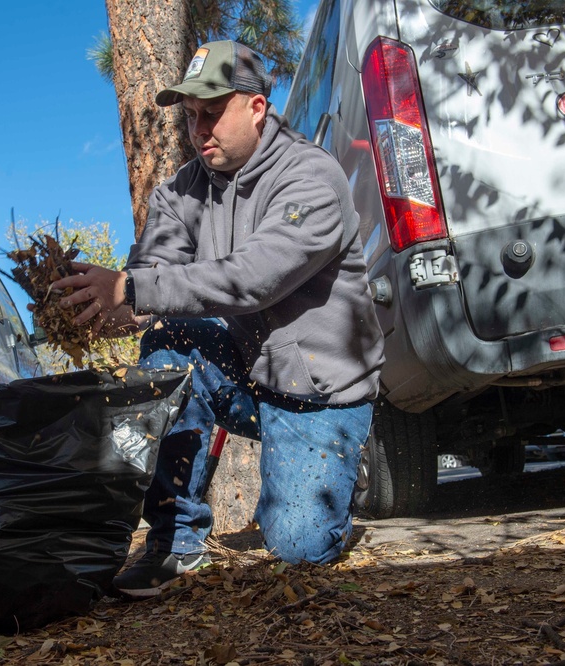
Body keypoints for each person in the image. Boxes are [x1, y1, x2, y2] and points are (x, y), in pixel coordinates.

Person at [51, 40, 385, 598]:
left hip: (323, 392)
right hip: (249, 373)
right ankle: (174, 542)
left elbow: (252, 279)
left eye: (212, 112)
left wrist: (129, 288)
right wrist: (102, 308)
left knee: (296, 551)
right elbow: (151, 282)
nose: (199, 128)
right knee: (167, 339)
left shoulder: (310, 178)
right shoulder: (179, 193)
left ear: (257, 108)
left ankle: (341, 474)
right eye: (190, 117)